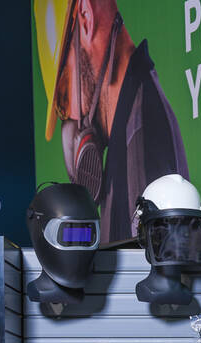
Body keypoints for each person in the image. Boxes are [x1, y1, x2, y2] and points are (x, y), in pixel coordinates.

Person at [42, 0, 189, 244]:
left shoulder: (141, 133)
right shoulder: (127, 130)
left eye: (64, 95)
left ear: (86, 18)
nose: (70, 120)